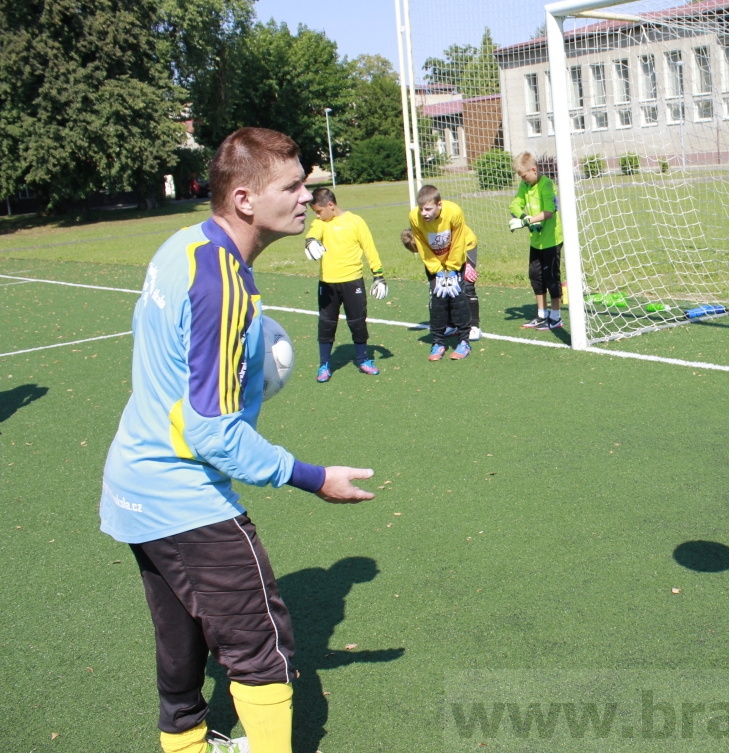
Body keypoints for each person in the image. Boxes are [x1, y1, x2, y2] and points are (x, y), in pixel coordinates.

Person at [100, 128, 376, 753]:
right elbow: (212, 433)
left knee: (181, 646)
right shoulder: (221, 282)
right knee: (261, 649)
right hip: (184, 496)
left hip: (134, 487)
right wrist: (314, 477)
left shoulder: (185, 243)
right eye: (294, 185)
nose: (309, 194)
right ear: (247, 199)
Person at [303, 187, 387, 381]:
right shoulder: (320, 223)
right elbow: (313, 233)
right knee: (326, 324)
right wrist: (310, 241)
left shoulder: (355, 221)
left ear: (330, 205)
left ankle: (363, 359)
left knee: (357, 322)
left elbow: (370, 249)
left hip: (353, 281)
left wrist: (378, 275)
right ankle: (324, 364)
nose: (317, 215)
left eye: (319, 211)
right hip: (328, 284)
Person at [401, 184, 474, 360]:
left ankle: (464, 341)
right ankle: (438, 342)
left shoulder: (454, 212)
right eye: (421, 209)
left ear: (439, 205)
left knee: (458, 297)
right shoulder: (414, 217)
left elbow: (458, 242)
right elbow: (422, 245)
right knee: (437, 299)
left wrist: (451, 270)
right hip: (434, 262)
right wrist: (438, 271)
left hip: (454, 259)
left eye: (428, 209)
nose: (424, 213)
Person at [508, 152, 563, 330]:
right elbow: (514, 205)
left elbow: (549, 212)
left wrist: (527, 221)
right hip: (536, 242)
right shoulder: (525, 185)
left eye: (524, 176)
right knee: (535, 277)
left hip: (552, 240)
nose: (523, 180)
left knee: (551, 278)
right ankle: (541, 315)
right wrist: (525, 217)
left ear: (533, 169)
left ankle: (556, 317)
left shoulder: (547, 185)